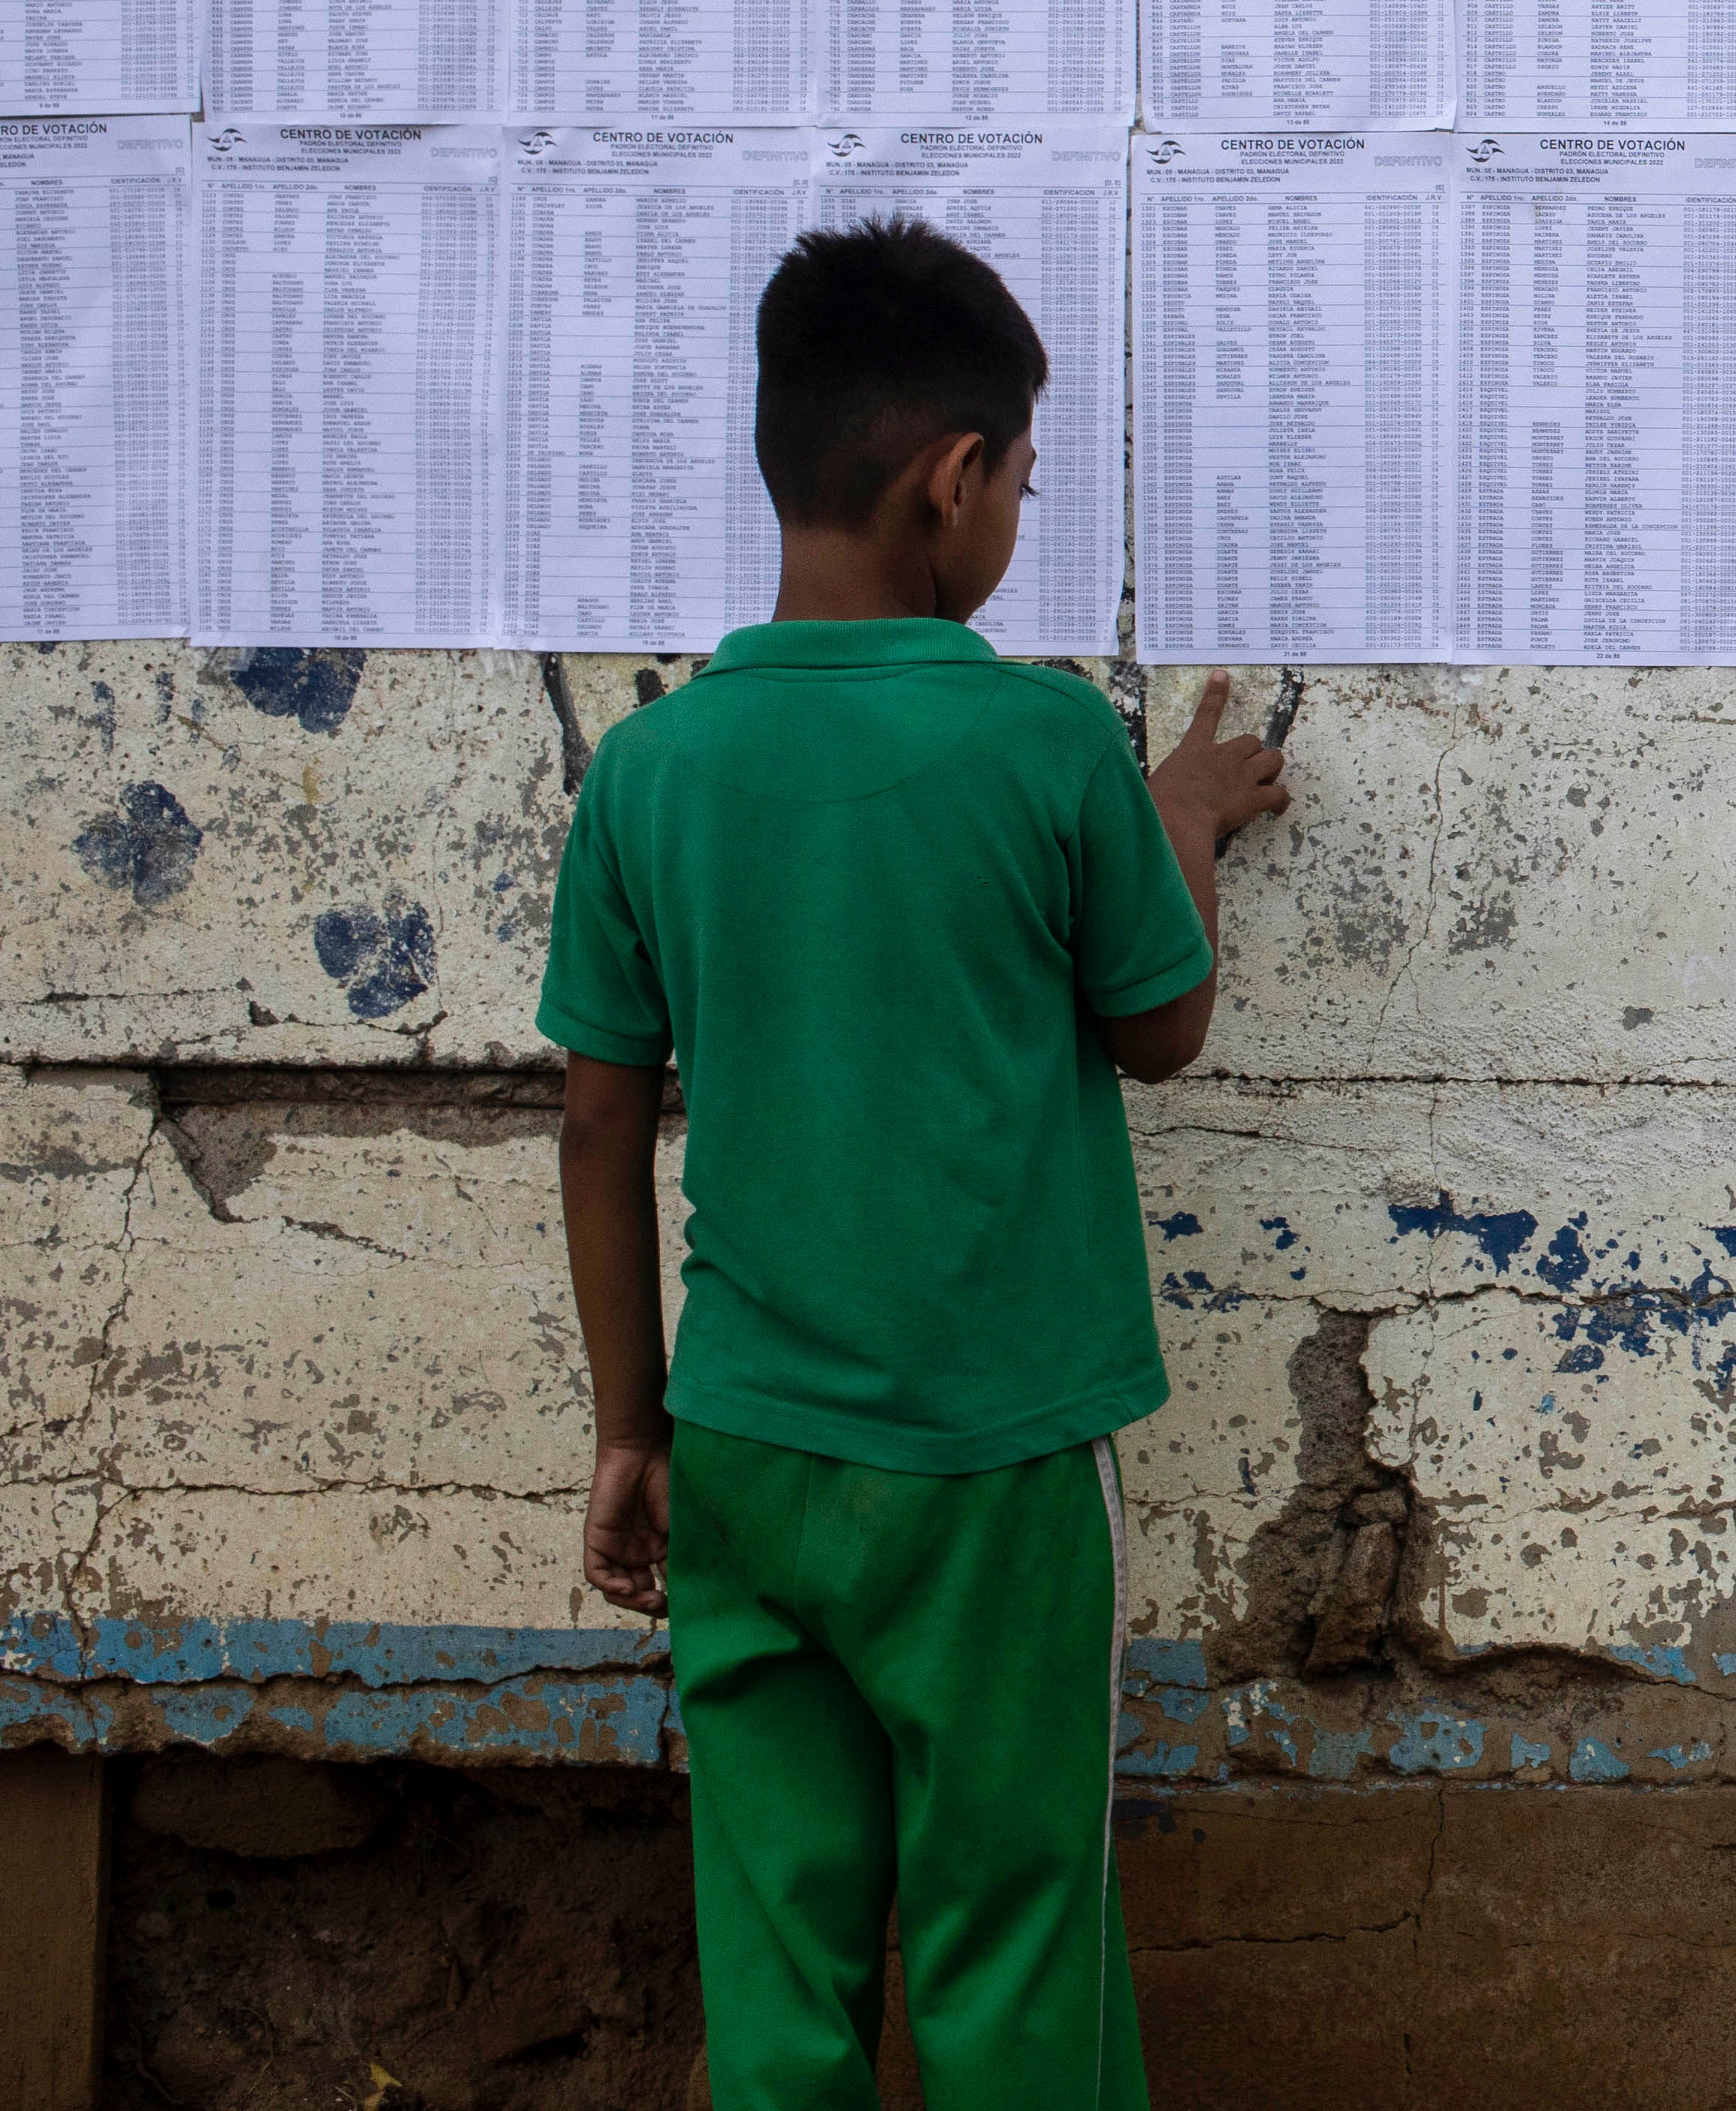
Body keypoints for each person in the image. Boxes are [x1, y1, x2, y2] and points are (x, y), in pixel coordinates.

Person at [546, 218, 1292, 2110]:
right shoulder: (1045, 744)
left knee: (778, 1955)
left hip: (741, 1440)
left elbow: (600, 1115)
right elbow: (1161, 1019)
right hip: (987, 1467)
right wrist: (1184, 809)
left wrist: (633, 1427)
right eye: (1026, 479)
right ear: (954, 479)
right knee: (1011, 1932)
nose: (1020, 514)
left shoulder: (651, 769)